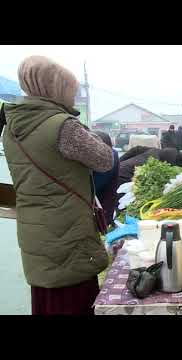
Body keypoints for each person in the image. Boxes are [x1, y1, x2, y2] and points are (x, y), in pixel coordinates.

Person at [1, 55, 113, 315]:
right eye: (71, 92)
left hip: (35, 230)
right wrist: (89, 132)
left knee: (47, 298)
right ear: (55, 89)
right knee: (72, 301)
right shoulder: (63, 126)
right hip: (67, 233)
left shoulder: (11, 127)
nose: (73, 99)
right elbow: (104, 159)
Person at [117, 147, 182, 188]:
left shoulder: (157, 151)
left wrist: (118, 163)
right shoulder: (158, 167)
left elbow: (135, 149)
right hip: (123, 177)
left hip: (119, 169)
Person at [93, 131, 119, 226]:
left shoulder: (112, 157)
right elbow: (112, 190)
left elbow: (112, 188)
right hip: (102, 199)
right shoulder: (114, 155)